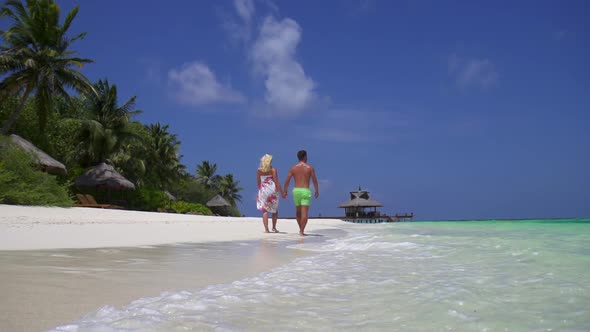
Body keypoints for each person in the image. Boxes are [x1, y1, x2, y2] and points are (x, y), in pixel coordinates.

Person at [282, 150, 319, 236]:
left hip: (296, 191)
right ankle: (302, 231)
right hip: (305, 191)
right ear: (305, 156)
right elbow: (314, 180)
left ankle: (300, 229)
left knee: (298, 212)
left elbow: (287, 180)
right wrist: (317, 190)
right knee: (304, 213)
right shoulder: (309, 168)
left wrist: (285, 190)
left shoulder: (293, 168)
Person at [256, 154, 283, 233]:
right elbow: (276, 181)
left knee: (265, 210)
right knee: (274, 209)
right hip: (272, 190)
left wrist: (260, 190)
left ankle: (266, 229)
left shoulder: (259, 171)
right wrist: (282, 192)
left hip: (264, 190)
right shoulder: (273, 170)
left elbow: (258, 182)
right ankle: (274, 228)